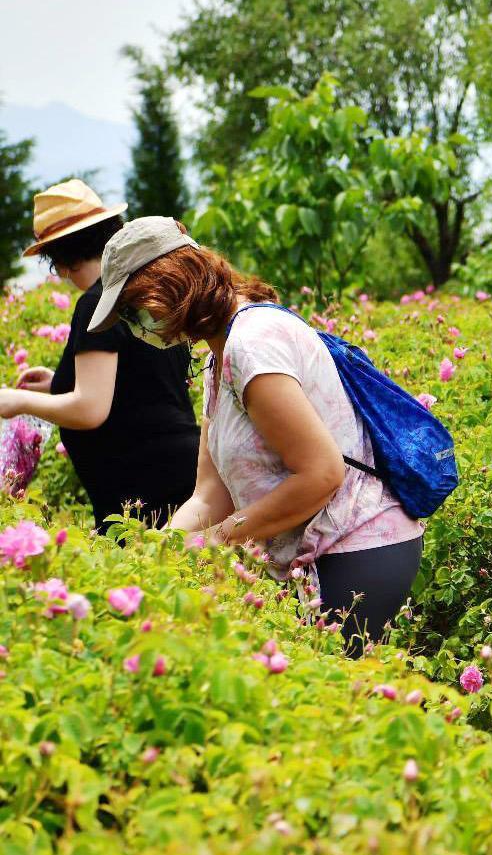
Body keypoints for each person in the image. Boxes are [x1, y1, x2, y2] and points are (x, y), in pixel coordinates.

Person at [88, 217, 424, 653]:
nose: (136, 328)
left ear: (167, 285)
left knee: (331, 702)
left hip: (357, 545)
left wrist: (223, 537)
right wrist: (156, 555)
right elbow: (210, 495)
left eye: (133, 312)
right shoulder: (218, 356)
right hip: (313, 550)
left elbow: (322, 474)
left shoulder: (252, 345)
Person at [0, 181, 198, 530]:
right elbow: (141, 382)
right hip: (182, 475)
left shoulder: (97, 302)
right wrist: (56, 383)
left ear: (59, 260)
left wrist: (17, 400)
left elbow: (90, 409)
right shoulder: (144, 290)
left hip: (145, 492)